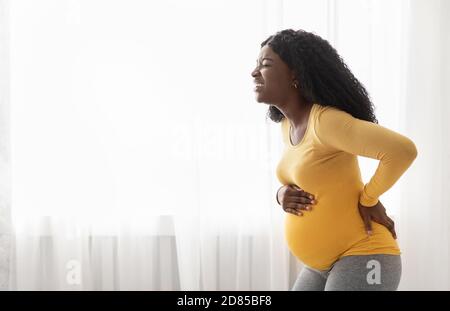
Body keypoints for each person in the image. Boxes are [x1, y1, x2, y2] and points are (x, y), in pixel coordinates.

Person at [251, 29, 417, 291]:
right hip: (321, 265)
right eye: (256, 65)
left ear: (294, 74)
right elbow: (308, 176)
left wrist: (369, 198)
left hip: (365, 256)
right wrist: (281, 194)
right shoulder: (287, 126)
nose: (254, 72)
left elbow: (402, 150)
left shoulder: (326, 121)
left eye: (266, 64)